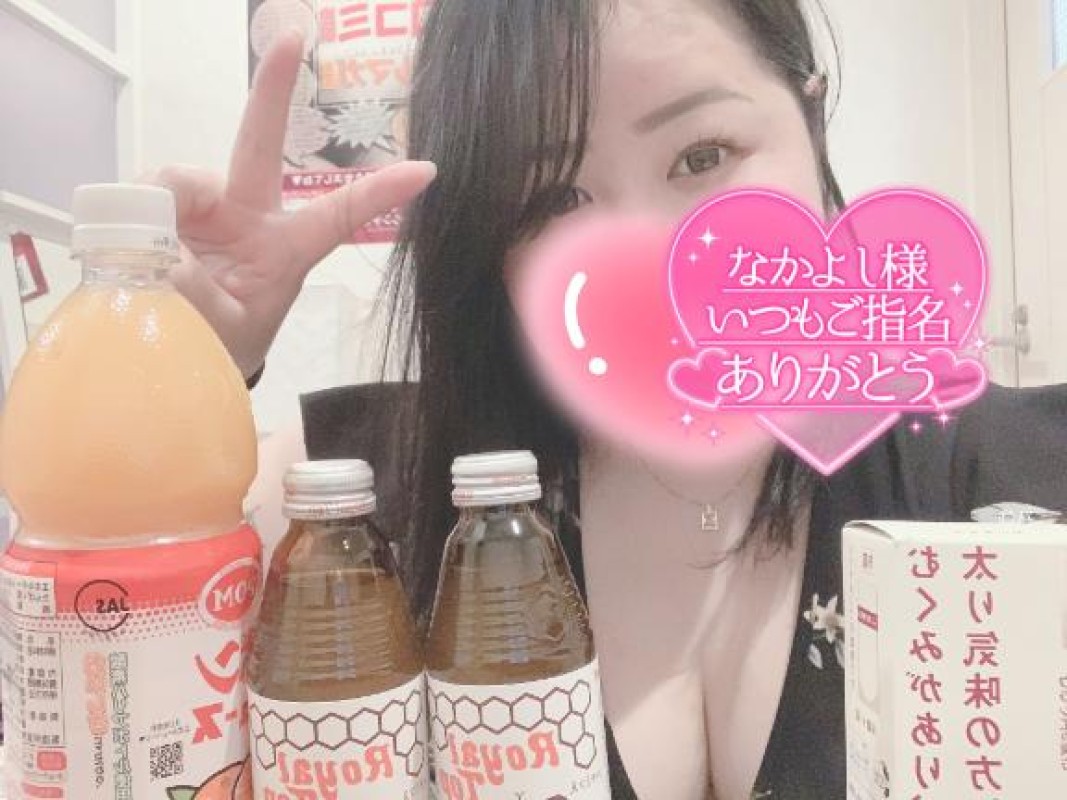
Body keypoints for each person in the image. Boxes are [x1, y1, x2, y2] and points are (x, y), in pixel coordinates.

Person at [154, 1, 1067, 797]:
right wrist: (196, 369)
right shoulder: (357, 507)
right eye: (554, 200)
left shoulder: (995, 480)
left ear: (810, 117)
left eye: (701, 155)